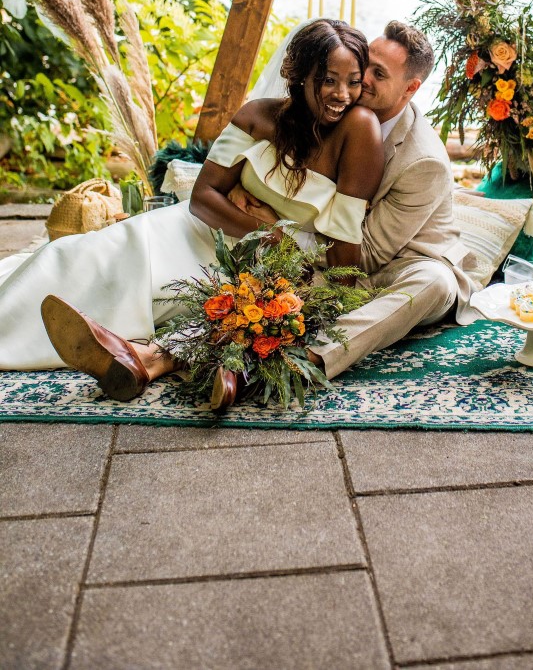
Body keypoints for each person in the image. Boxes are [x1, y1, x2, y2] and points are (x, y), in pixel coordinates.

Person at [0, 20, 384, 407]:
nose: (342, 94)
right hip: (201, 227)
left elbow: (344, 232)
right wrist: (268, 231)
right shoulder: (257, 116)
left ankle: (122, 352)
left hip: (267, 262)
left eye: (353, 81)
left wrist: (328, 289)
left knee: (178, 300)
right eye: (329, 80)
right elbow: (203, 197)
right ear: (301, 76)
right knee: (84, 253)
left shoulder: (359, 129)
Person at [231, 21, 481, 379]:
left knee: (435, 282)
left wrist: (278, 227)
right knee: (254, 274)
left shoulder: (424, 161)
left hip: (402, 265)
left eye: (378, 74)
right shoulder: (338, 107)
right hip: (333, 257)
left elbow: (366, 258)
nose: (361, 79)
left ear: (410, 89)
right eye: (366, 64)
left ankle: (310, 360)